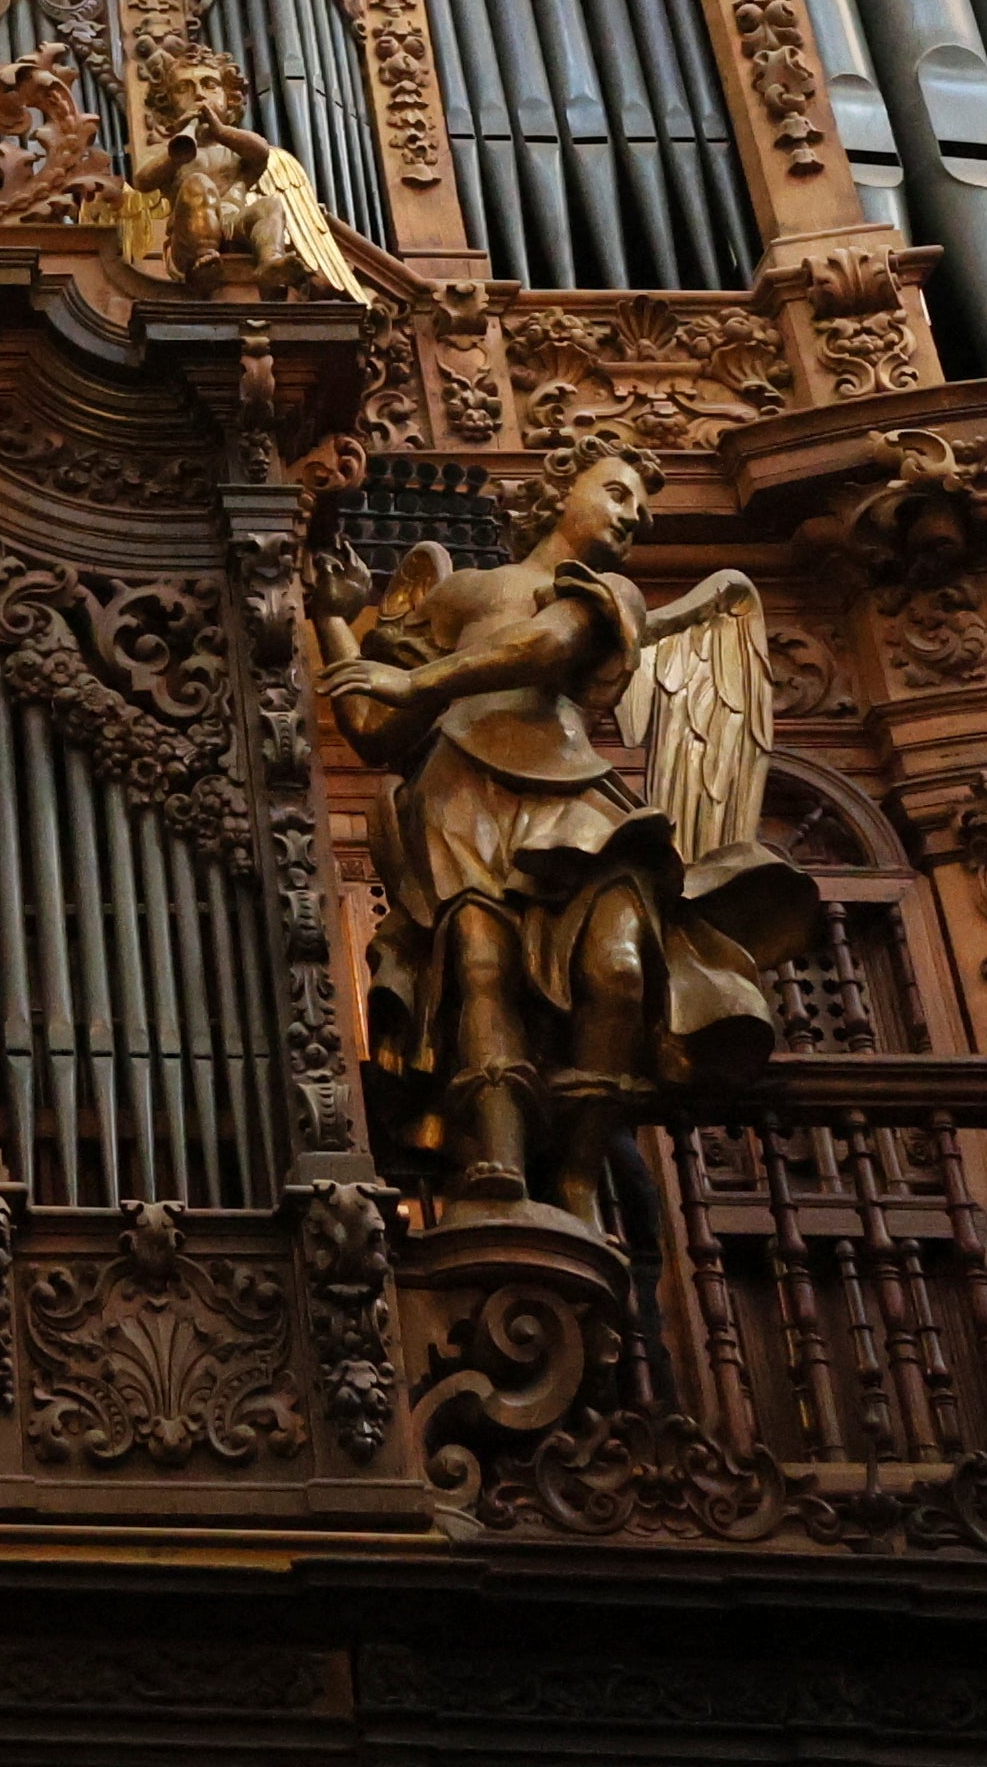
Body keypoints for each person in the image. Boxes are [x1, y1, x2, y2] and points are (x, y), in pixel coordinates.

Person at [325, 443, 816, 1225]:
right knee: (478, 965)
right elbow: (373, 727)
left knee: (618, 969)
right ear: (559, 494)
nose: (632, 518)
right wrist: (331, 618)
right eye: (618, 494)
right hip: (461, 788)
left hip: (576, 800)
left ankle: (580, 1175)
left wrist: (417, 679)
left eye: (643, 511)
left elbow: (548, 644)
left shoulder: (606, 589)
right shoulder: (462, 592)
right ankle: (498, 1160)